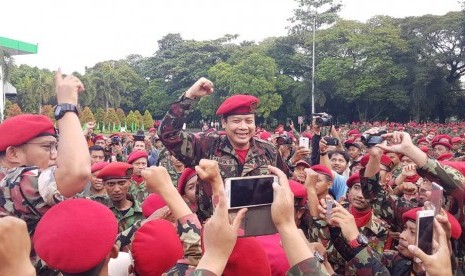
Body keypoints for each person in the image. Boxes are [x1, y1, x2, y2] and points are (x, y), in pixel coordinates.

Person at [159, 78, 288, 221]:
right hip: (215, 230)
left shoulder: (269, 150)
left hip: (258, 230)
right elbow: (168, 135)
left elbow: (285, 184)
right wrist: (190, 96)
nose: (244, 127)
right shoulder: (207, 145)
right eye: (236, 121)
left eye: (249, 121)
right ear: (224, 123)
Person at [0, 69, 90, 272]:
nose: (55, 155)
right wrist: (66, 106)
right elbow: (76, 173)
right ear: (13, 154)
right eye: (46, 147)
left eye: (55, 147)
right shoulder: (12, 181)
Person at [98, 162, 144, 233]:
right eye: (111, 184)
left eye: (122, 183)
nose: (116, 189)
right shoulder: (98, 207)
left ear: (130, 182)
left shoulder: (142, 211)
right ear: (104, 185)